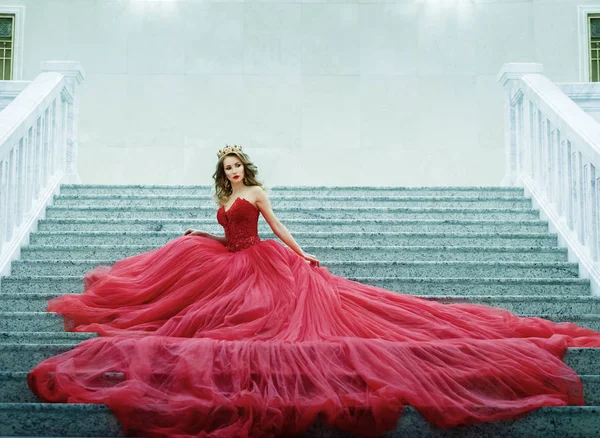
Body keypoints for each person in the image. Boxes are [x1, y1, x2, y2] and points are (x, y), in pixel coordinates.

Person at [28, 145, 600, 438]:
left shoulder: (257, 188)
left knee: (276, 320)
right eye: (225, 168)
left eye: (235, 166)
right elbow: (228, 228)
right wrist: (204, 235)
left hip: (261, 262)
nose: (230, 173)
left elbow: (275, 226)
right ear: (219, 171)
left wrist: (302, 255)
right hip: (224, 261)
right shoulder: (220, 197)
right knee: (192, 301)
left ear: (244, 168)